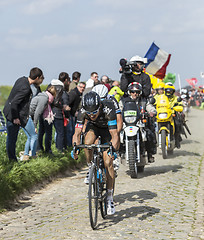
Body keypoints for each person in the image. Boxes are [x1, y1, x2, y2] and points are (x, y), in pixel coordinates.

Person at [72, 91, 119, 215]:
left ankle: (109, 197)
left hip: (107, 130)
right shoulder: (83, 111)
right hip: (94, 128)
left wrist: (113, 150)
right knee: (87, 143)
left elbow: (114, 135)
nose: (91, 115)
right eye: (89, 113)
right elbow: (77, 133)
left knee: (108, 161)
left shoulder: (108, 109)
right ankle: (91, 166)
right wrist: (75, 147)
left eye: (94, 112)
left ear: (100, 107)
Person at [3, 67, 44, 162]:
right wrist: (15, 117)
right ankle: (12, 161)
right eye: (41, 78)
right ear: (37, 78)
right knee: (12, 139)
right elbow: (14, 103)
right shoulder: (26, 88)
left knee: (12, 138)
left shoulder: (21, 79)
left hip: (11, 111)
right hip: (13, 114)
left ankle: (13, 159)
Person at [120, 82, 157, 163]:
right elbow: (119, 109)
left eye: (137, 92)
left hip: (140, 123)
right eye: (132, 92)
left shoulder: (143, 101)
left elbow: (149, 107)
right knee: (117, 134)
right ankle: (120, 153)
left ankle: (150, 154)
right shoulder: (124, 101)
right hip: (126, 123)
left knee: (149, 134)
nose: (135, 94)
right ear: (129, 92)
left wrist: (152, 112)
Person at [37, 78, 65, 153]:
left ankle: (39, 148)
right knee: (49, 132)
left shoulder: (46, 91)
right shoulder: (59, 88)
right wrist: (62, 107)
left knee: (41, 131)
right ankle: (48, 150)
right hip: (48, 114)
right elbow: (56, 102)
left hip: (41, 113)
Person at [21, 83, 42, 161]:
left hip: (25, 115)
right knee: (34, 136)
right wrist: (35, 124)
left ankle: (26, 155)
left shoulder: (34, 88)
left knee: (30, 136)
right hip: (28, 116)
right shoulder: (32, 89)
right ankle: (32, 155)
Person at [52, 73, 70, 152]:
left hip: (51, 112)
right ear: (66, 80)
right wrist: (65, 109)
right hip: (59, 113)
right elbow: (61, 103)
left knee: (50, 133)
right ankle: (60, 150)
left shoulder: (52, 86)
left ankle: (56, 149)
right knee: (61, 133)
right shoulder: (61, 89)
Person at [66, 81, 86, 147]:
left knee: (73, 130)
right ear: (77, 86)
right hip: (69, 114)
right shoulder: (74, 93)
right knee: (70, 130)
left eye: (83, 88)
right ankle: (69, 145)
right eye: (81, 87)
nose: (82, 89)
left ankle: (72, 144)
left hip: (73, 113)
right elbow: (68, 103)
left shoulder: (79, 94)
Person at [164, 84, 183, 148]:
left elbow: (180, 104)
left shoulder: (176, 98)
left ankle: (177, 139)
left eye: (170, 91)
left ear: (173, 92)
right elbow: (156, 102)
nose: (168, 93)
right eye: (167, 91)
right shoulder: (162, 97)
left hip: (172, 115)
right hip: (163, 115)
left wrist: (178, 106)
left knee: (177, 124)